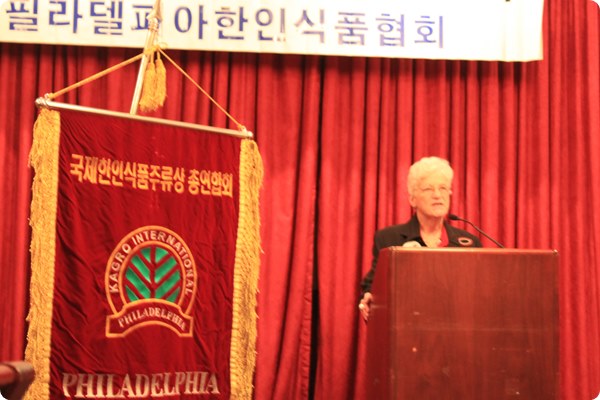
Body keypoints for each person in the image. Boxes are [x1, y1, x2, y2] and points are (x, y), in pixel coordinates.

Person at [358, 156, 482, 321]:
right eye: (428, 189)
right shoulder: (389, 238)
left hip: (458, 324)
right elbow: (373, 284)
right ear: (412, 199)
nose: (437, 195)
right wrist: (368, 296)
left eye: (443, 188)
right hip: (407, 323)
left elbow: (480, 291)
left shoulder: (469, 243)